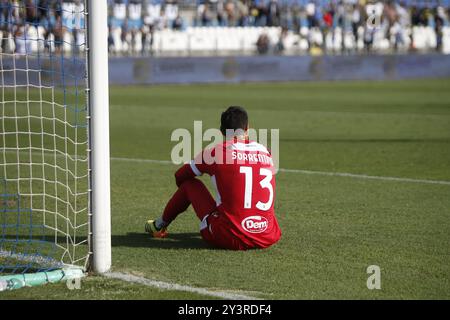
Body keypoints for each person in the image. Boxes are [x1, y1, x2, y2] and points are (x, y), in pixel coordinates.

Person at [145, 106, 282, 250]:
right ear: (247, 128)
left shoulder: (215, 153)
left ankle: (159, 226)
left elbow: (180, 176)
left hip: (229, 238)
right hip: (267, 236)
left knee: (190, 185)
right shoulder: (266, 152)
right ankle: (249, 225)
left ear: (222, 130)